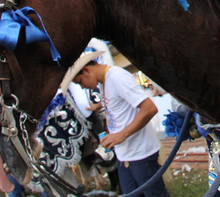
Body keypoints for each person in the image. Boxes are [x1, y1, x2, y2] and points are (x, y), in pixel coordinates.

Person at [72, 57, 169, 197]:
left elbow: (149, 108)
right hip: (124, 155)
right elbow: (117, 100)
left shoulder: (117, 77)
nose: (82, 87)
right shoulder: (103, 82)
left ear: (86, 70)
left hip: (140, 154)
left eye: (80, 82)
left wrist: (121, 135)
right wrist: (98, 106)